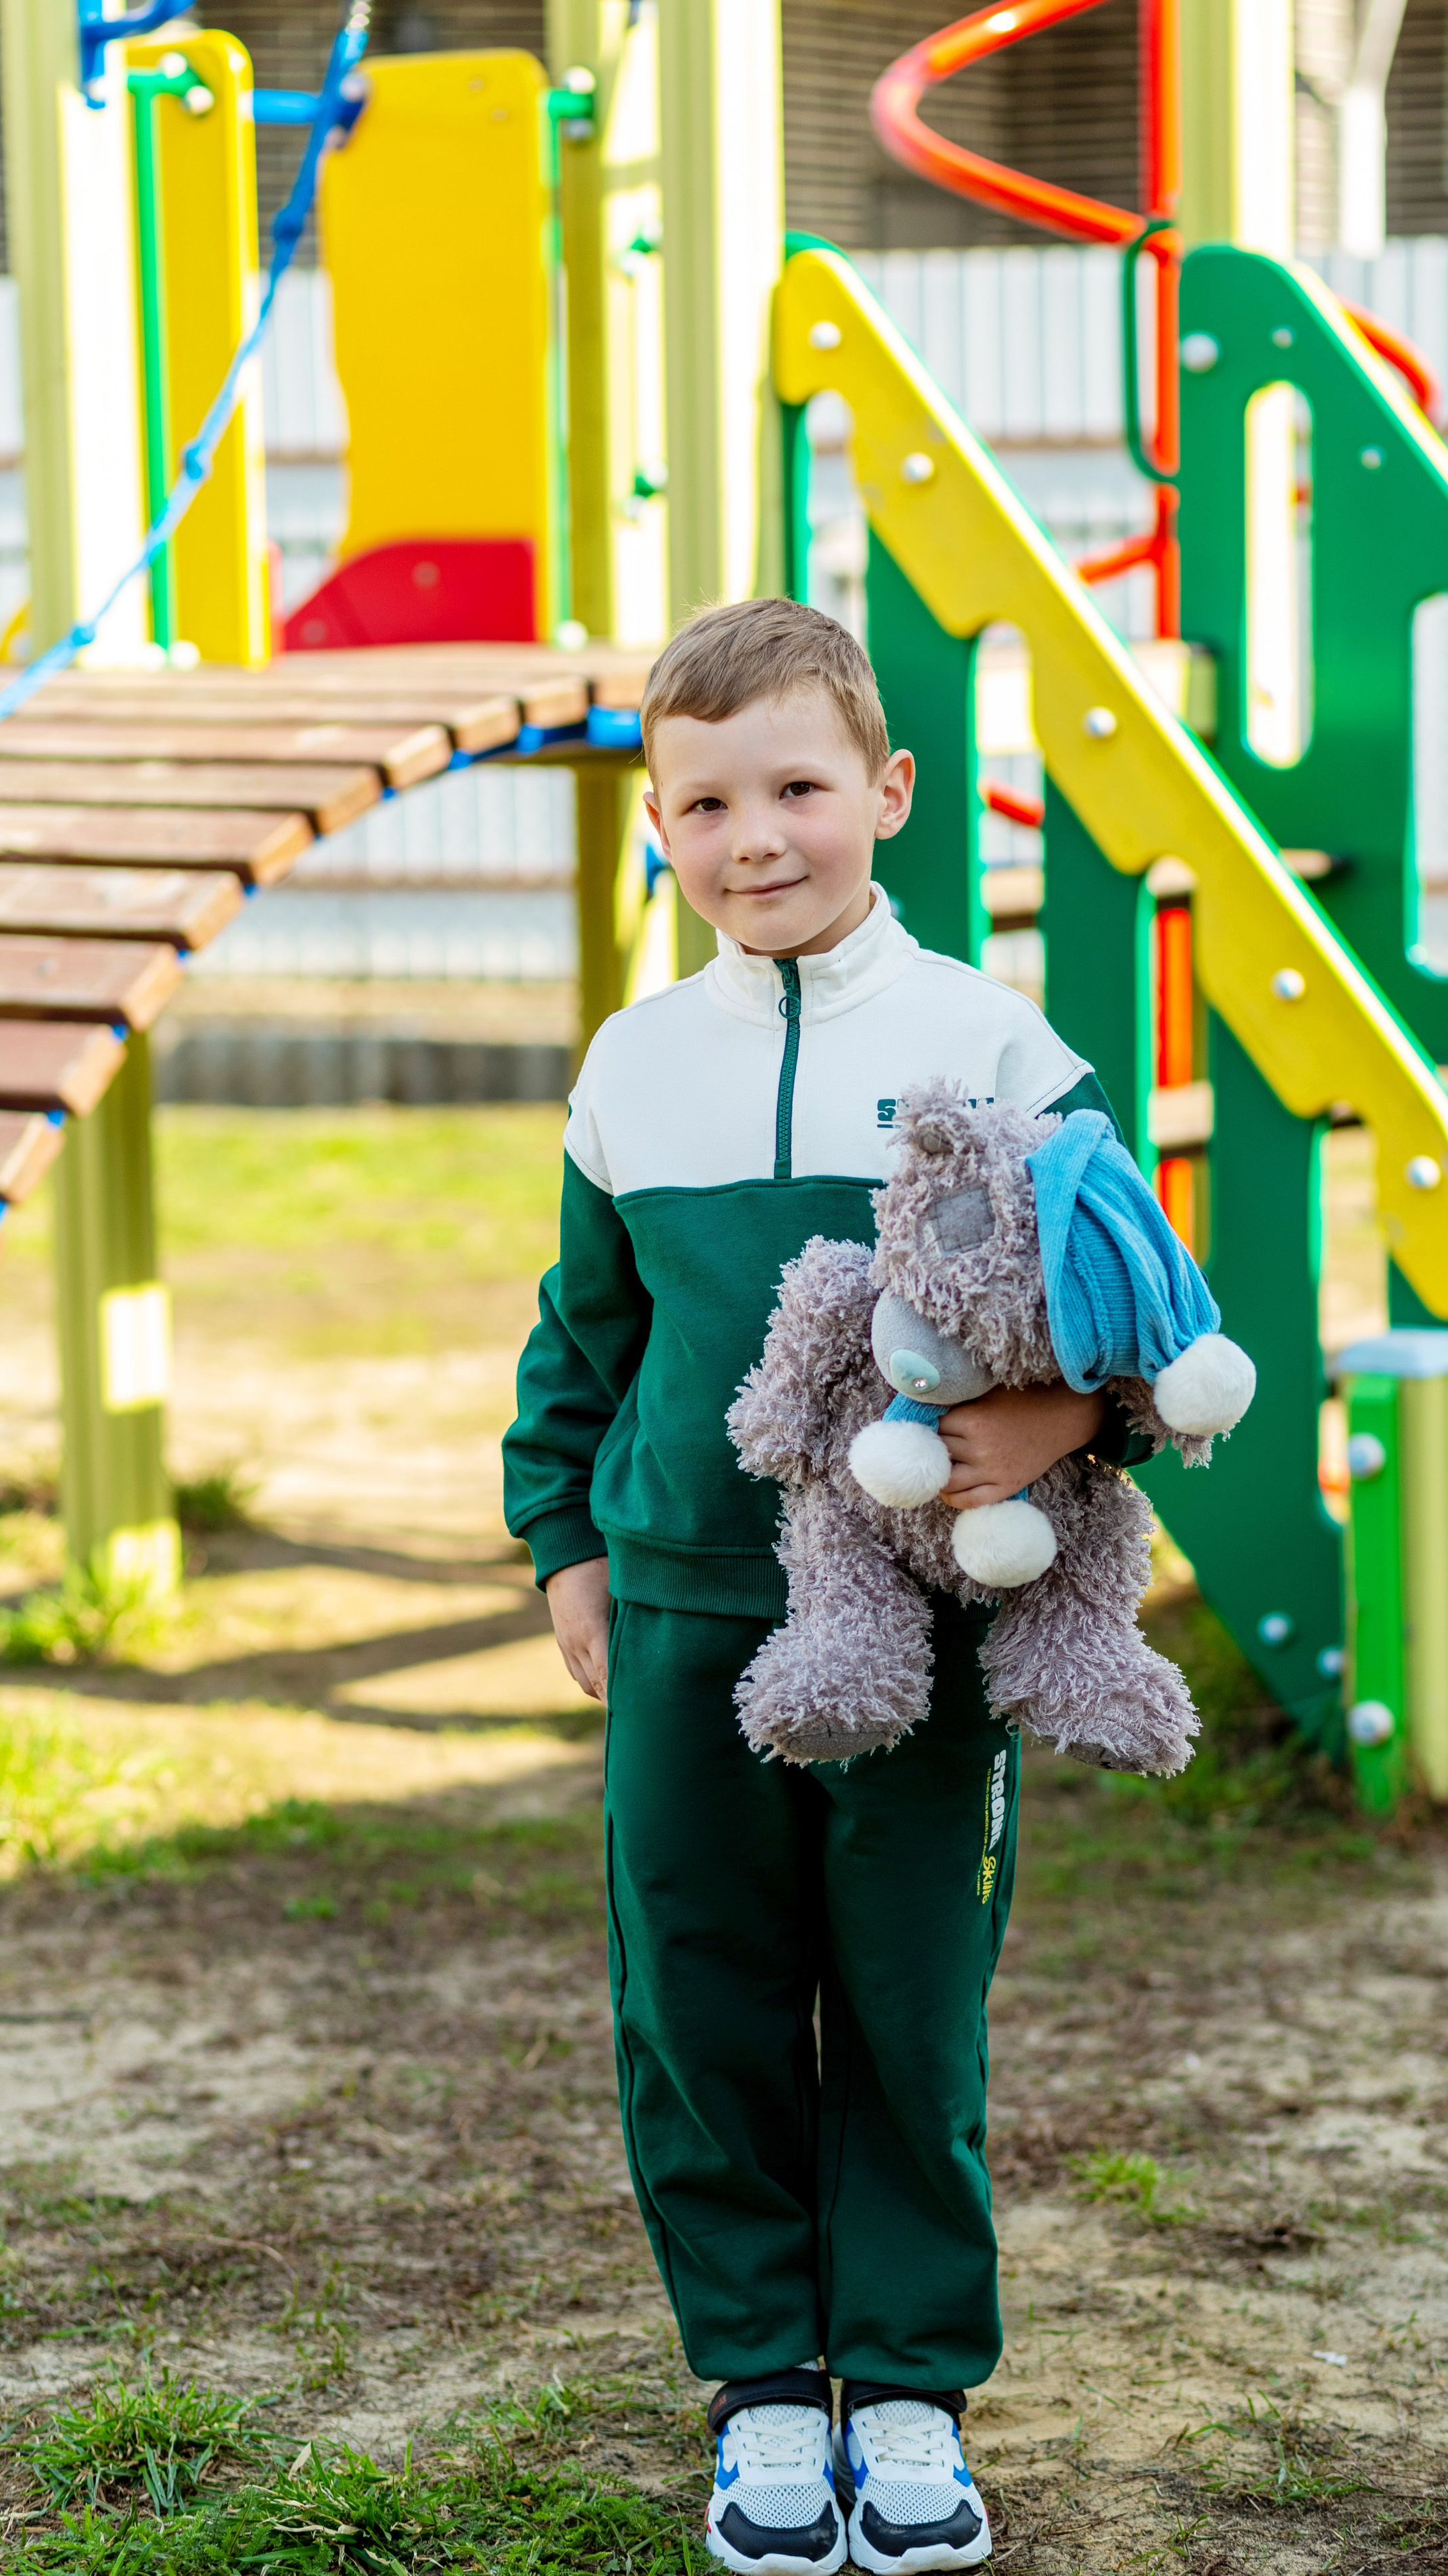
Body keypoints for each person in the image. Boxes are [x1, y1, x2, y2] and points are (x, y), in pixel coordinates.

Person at [503, 597, 1147, 2576]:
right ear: (658, 832)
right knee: (694, 1998)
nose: (752, 837)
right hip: (691, 1614)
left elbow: (1141, 1307)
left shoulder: (991, 1044)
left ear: (888, 793)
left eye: (795, 788)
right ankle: (768, 2388)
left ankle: (915, 2387)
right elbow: (580, 1339)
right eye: (701, 802)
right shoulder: (631, 1068)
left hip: (928, 1621)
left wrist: (1066, 1428)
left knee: (905, 2000)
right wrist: (569, 1543)